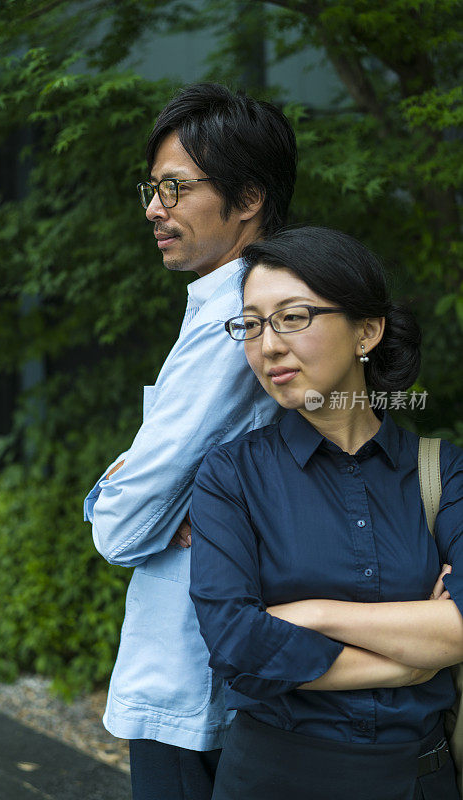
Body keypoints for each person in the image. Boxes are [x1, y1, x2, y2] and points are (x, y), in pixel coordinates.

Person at [189, 226, 463, 800]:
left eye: (293, 317)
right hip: (273, 780)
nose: (268, 346)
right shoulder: (231, 476)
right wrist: (411, 664)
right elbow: (237, 648)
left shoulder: (445, 472)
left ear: (366, 330)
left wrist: (311, 614)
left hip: (421, 780)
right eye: (252, 324)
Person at [83, 83, 297, 800]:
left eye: (176, 188)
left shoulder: (230, 324)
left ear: (248, 199)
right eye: (152, 187)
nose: (154, 207)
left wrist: (109, 494)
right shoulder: (255, 306)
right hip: (217, 665)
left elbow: (120, 526)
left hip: (190, 666)